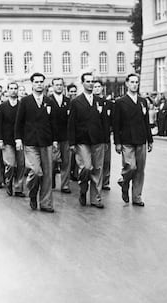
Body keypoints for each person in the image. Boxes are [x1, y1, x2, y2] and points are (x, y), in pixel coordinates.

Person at [15, 72, 57, 212]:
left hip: (46, 142)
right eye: (36, 82)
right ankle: (33, 193)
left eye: (41, 82)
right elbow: (19, 122)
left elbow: (53, 123)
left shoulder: (49, 101)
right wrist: (18, 139)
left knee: (47, 174)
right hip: (31, 142)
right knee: (36, 171)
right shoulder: (25, 101)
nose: (39, 84)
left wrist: (55, 140)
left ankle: (46, 203)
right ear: (32, 84)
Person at [68, 72, 108, 208]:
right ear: (83, 83)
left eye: (92, 81)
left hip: (98, 140)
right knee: (86, 167)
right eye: (88, 81)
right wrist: (72, 142)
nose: (90, 83)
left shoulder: (100, 101)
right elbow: (71, 123)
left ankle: (96, 198)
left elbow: (105, 122)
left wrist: (106, 140)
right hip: (82, 141)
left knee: (97, 169)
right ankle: (83, 188)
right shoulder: (76, 102)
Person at [113, 73, 153, 206]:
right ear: (127, 84)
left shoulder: (143, 101)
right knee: (131, 167)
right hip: (127, 140)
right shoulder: (120, 102)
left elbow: (146, 121)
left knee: (140, 169)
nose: (135, 84)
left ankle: (137, 196)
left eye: (137, 82)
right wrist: (117, 142)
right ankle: (124, 182)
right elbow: (116, 124)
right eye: (132, 82)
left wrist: (150, 139)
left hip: (141, 139)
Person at [0, 82, 26, 197]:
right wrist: (0, 139)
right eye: (11, 89)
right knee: (10, 164)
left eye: (15, 89)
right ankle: (9, 182)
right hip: (7, 139)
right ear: (8, 91)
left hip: (20, 139)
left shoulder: (22, 105)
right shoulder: (3, 106)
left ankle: (18, 188)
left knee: (21, 164)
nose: (13, 91)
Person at [49, 77, 72, 193]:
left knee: (66, 161)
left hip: (66, 136)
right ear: (52, 86)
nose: (59, 86)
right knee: (52, 160)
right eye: (56, 84)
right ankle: (50, 179)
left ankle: (65, 185)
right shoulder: (48, 101)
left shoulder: (68, 101)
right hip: (52, 136)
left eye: (60, 85)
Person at [93, 79, 114, 191]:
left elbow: (112, 120)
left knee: (106, 160)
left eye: (98, 86)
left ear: (102, 88)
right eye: (94, 86)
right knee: (95, 161)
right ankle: (96, 180)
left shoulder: (109, 104)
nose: (96, 88)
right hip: (94, 136)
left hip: (106, 135)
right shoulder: (91, 102)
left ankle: (105, 181)